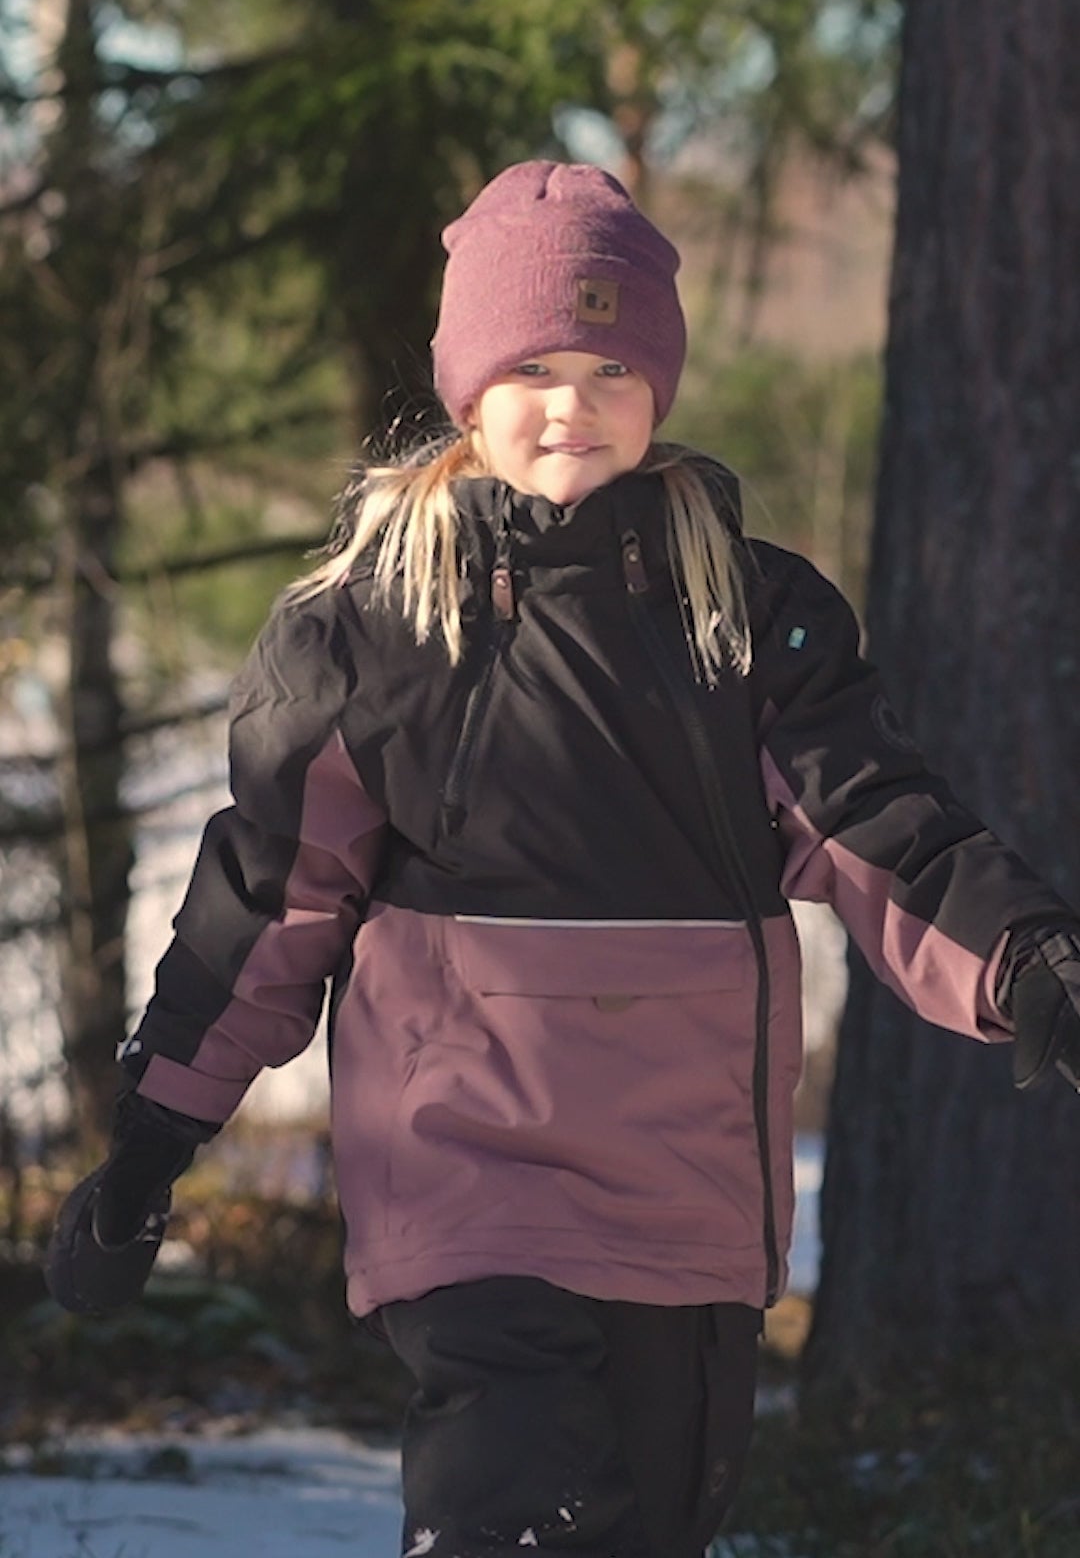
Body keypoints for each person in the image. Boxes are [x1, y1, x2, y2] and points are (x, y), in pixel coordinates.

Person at [46, 161, 1080, 1558]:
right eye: (531, 362)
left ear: (660, 379)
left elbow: (878, 825)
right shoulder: (369, 633)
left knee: (650, 1525)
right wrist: (152, 1142)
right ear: (469, 385)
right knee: (514, 1519)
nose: (570, 400)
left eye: (608, 361)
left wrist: (1028, 957)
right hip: (465, 1175)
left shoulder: (749, 616)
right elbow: (268, 907)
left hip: (682, 1189)